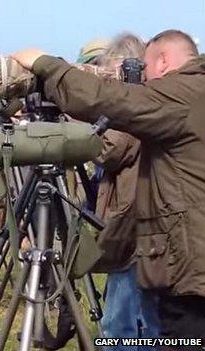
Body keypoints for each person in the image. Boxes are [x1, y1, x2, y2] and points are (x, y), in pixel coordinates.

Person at [12, 29, 205, 341]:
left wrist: (45, 64)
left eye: (144, 68)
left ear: (163, 60)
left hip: (189, 268)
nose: (144, 80)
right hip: (180, 254)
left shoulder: (182, 93)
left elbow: (109, 103)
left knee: (151, 330)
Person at [91, 33, 161, 347]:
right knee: (142, 316)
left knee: (119, 322)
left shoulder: (137, 105)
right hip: (139, 222)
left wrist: (87, 119)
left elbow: (112, 151)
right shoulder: (150, 100)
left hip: (133, 224)